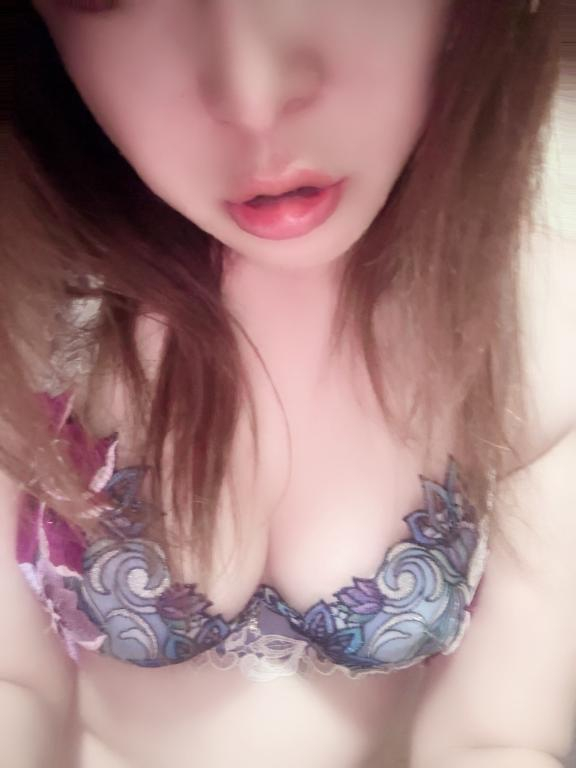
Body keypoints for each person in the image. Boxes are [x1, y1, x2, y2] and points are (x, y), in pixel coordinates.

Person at [0, 1, 574, 766]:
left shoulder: (537, 309)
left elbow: (501, 736)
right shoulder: (31, 291)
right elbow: (11, 680)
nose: (253, 96)